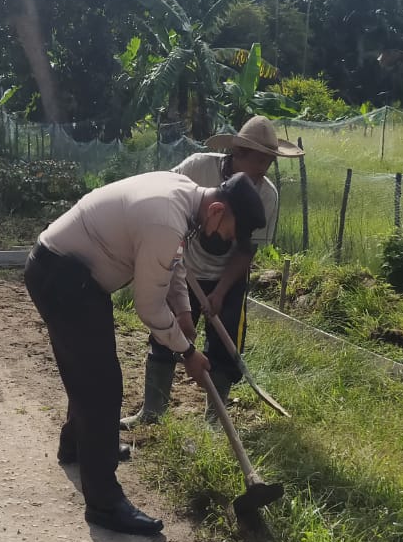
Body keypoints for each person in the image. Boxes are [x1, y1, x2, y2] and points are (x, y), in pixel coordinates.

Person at [25, 171, 267, 536]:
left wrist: (184, 313)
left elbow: (174, 262)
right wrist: (187, 353)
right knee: (101, 384)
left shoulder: (184, 196)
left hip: (71, 274)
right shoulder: (165, 218)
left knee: (89, 371)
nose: (225, 241)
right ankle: (104, 503)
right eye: (229, 233)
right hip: (63, 277)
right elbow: (149, 308)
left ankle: (79, 446)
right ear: (217, 211)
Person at [120, 116, 301, 428]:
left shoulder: (267, 195)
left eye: (269, 163)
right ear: (239, 153)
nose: (263, 171)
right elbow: (164, 202)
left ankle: (214, 423)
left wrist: (220, 291)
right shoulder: (198, 167)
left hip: (228, 277)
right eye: (259, 161)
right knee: (166, 332)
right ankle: (152, 412)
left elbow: (246, 250)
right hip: (182, 266)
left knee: (225, 344)